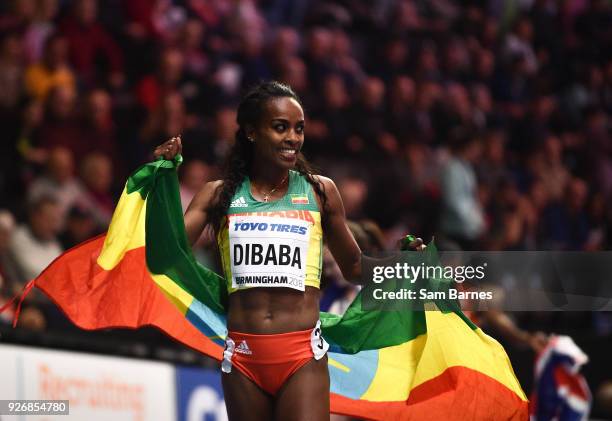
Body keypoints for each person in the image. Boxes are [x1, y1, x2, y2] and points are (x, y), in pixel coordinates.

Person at [154, 81, 421, 420]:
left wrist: (401, 264)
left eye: (299, 129)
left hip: (301, 355)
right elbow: (167, 254)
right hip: (243, 354)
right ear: (251, 131)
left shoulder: (320, 192)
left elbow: (354, 267)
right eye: (280, 127)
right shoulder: (218, 195)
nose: (293, 138)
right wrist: (162, 180)